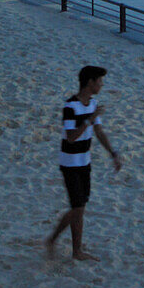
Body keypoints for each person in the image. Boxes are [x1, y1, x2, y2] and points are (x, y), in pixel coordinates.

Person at [46, 65, 122, 260]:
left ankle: (74, 249)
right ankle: (57, 242)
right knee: (78, 208)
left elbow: (99, 132)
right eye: (100, 81)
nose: (102, 85)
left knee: (79, 208)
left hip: (84, 162)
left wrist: (113, 153)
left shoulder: (93, 104)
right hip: (69, 162)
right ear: (90, 82)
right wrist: (89, 119)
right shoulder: (70, 106)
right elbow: (71, 137)